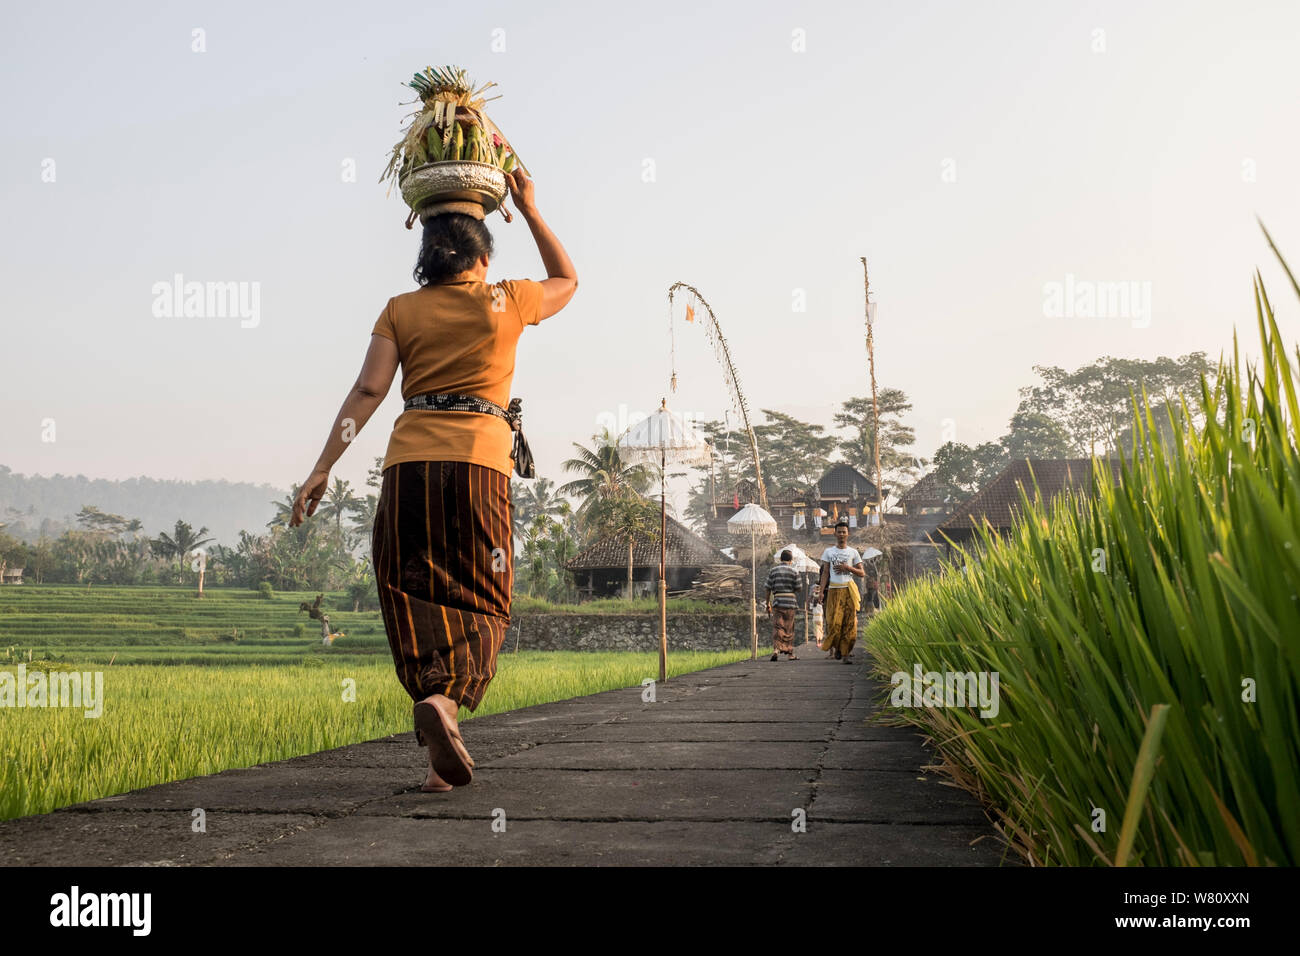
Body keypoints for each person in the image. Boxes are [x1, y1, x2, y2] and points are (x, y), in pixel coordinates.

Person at [291, 168, 577, 792]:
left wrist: (323, 467)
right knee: (487, 592)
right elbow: (567, 281)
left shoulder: (400, 310)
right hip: (480, 465)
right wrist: (529, 207)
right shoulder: (507, 299)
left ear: (427, 257)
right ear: (482, 254)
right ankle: (447, 705)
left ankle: (436, 757)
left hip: (409, 467)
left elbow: (369, 390)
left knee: (410, 585)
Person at [814, 518, 865, 663]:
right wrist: (821, 592)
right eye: (839, 532)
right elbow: (825, 573)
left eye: (844, 532)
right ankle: (837, 648)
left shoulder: (853, 552)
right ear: (835, 534)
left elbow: (862, 573)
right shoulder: (828, 552)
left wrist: (847, 568)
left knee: (849, 623)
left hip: (849, 590)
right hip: (834, 590)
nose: (842, 534)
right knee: (833, 622)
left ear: (848, 534)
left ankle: (846, 654)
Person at [764, 549, 803, 662]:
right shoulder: (794, 571)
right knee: (789, 627)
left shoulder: (773, 571)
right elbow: (799, 588)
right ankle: (790, 653)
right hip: (790, 602)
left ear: (781, 559)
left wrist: (767, 603)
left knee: (778, 626)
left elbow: (767, 588)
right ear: (791, 560)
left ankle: (776, 649)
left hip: (778, 601)